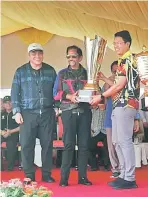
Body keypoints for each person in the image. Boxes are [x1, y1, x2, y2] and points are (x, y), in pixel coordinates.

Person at [91, 30, 140, 190]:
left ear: (127, 44)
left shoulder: (128, 61)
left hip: (126, 105)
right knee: (117, 142)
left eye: (119, 43)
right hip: (119, 105)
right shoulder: (121, 62)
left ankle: (130, 177)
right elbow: (117, 85)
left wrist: (101, 97)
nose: (116, 46)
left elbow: (119, 85)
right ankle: (124, 174)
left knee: (125, 141)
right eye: (115, 43)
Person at [11, 43, 57, 182]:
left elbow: (56, 91)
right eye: (33, 54)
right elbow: (15, 93)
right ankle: (29, 175)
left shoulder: (50, 70)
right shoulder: (20, 71)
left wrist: (58, 106)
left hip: (47, 112)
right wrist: (16, 111)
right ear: (29, 55)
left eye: (39, 53)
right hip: (27, 113)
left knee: (47, 145)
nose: (37, 56)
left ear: (42, 54)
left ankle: (46, 174)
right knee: (26, 145)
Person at [53, 45, 92, 187]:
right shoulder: (62, 73)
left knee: (84, 146)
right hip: (68, 112)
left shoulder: (87, 73)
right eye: (68, 56)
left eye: (74, 56)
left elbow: (92, 91)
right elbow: (55, 94)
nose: (71, 59)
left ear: (80, 58)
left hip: (85, 111)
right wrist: (69, 96)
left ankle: (83, 177)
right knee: (68, 145)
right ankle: (64, 179)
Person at [98, 60, 120, 178]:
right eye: (114, 71)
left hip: (122, 115)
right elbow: (103, 95)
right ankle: (115, 168)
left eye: (118, 71)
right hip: (109, 116)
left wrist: (106, 78)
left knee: (120, 143)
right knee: (111, 144)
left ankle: (124, 168)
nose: (115, 73)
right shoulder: (108, 82)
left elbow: (118, 86)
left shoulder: (124, 80)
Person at [89, 100, 110, 171]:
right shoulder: (93, 110)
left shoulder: (109, 110)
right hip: (95, 132)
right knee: (90, 146)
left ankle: (106, 165)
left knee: (107, 146)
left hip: (106, 132)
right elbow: (89, 121)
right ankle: (94, 165)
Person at [1, 96, 20, 171]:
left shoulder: (17, 114)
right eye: (6, 102)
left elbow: (21, 127)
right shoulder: (1, 114)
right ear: (3, 104)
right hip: (2, 134)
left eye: (9, 102)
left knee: (11, 146)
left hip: (14, 134)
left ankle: (10, 168)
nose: (8, 104)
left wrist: (10, 131)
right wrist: (2, 132)